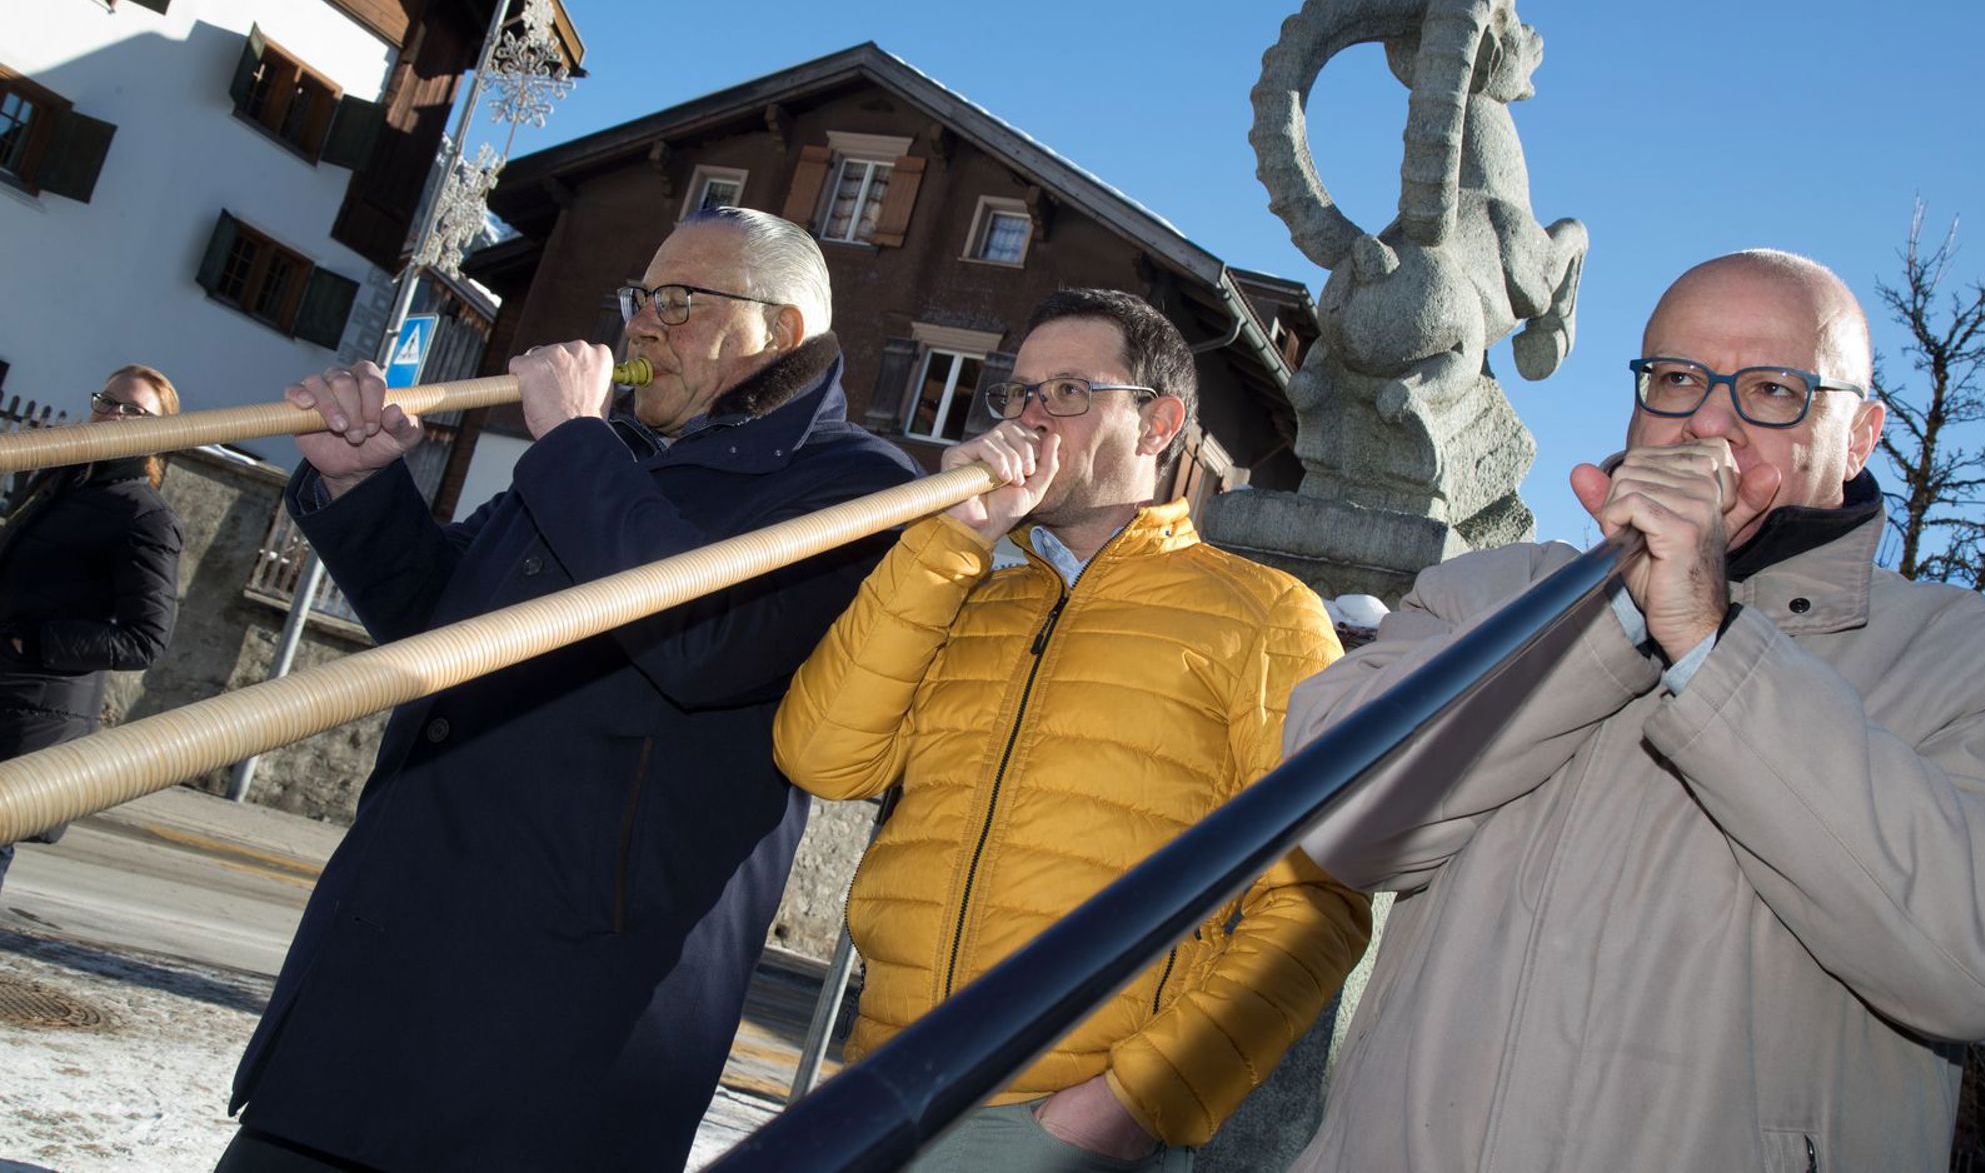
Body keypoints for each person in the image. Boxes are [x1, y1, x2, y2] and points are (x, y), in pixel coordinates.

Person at [219, 208, 919, 1172]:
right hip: (383, 967)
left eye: (679, 302)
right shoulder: (607, 451)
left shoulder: (858, 487)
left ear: (780, 330)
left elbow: (702, 644)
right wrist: (362, 485)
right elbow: (439, 624)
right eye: (641, 298)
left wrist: (576, 446)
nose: (641, 325)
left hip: (560, 1018)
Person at [1285, 250, 1985, 1171]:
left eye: (1773, 390)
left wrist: (1709, 640)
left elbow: (1972, 963)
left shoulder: (1962, 654)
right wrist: (1613, 617)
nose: (1709, 422)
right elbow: (1338, 821)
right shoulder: (1491, 590)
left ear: (1860, 436)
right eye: (1676, 379)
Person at [775, 288, 1372, 1171]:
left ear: (1159, 424)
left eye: (1068, 393)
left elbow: (1317, 897)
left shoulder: (1264, 616)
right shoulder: (965, 588)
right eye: (1019, 393)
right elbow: (822, 755)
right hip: (879, 1085)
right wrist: (947, 542)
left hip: (1059, 1124)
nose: (1030, 418)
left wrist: (1136, 1101)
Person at [0, 364, 183, 895]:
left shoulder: (145, 516)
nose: (113, 414)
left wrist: (32, 642)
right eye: (107, 401)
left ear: (160, 432)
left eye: (134, 410)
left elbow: (145, 639)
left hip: (33, 708)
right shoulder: (60, 481)